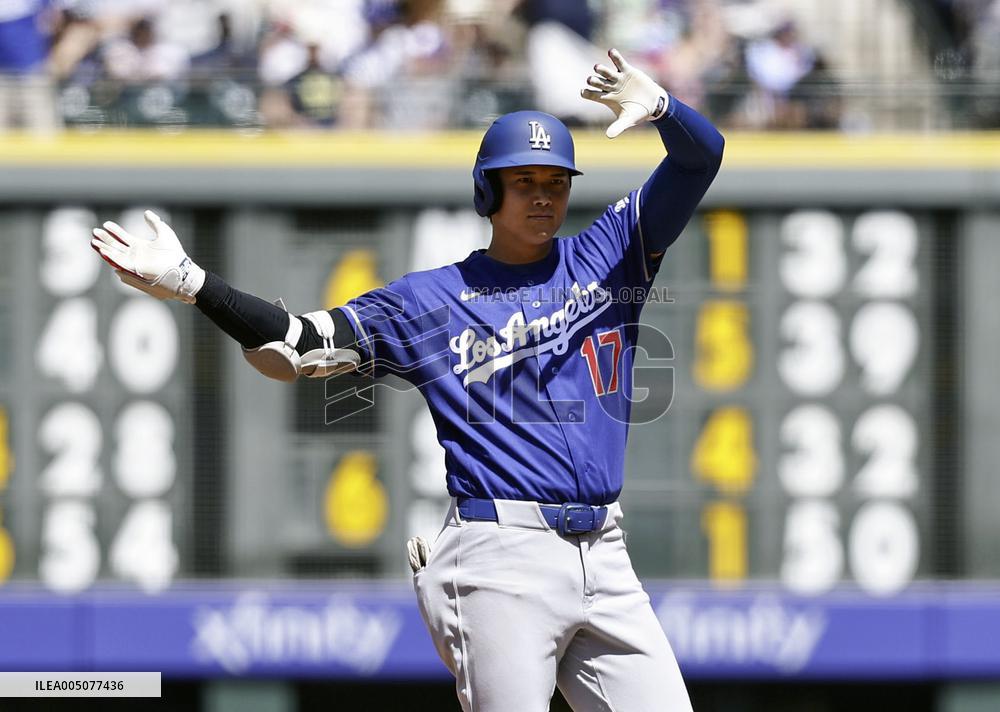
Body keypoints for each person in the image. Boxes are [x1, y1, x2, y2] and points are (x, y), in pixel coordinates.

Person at [90, 48, 724, 711]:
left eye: (555, 181)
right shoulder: (429, 303)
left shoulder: (608, 254)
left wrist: (662, 108)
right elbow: (296, 346)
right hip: (502, 555)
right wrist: (197, 286)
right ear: (489, 189)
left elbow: (699, 158)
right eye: (524, 180)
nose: (542, 195)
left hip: (606, 550)